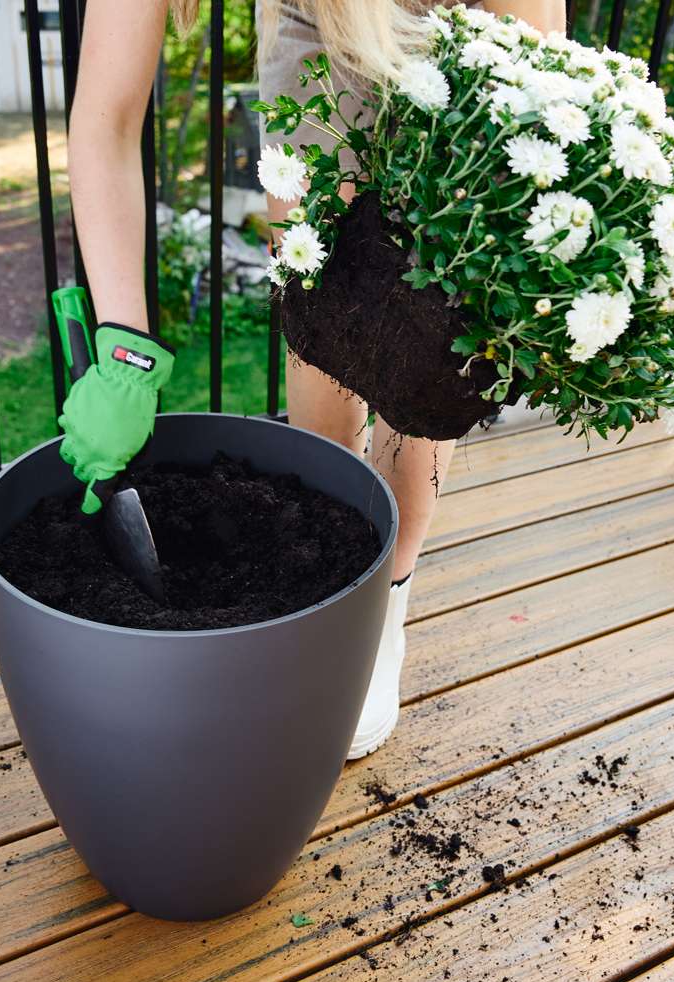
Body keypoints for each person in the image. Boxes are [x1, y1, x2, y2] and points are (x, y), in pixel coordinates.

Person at [61, 0, 566, 758]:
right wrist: (124, 356)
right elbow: (106, 117)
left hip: (467, 25)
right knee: (322, 298)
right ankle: (331, 582)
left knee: (429, 333)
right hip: (317, 14)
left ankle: (385, 604)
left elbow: (543, 65)